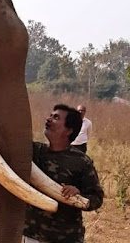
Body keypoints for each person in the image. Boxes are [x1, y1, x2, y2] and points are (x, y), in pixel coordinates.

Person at [22, 104, 103, 243]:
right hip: (33, 235)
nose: (48, 119)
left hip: (66, 237)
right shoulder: (34, 151)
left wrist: (78, 193)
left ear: (69, 130)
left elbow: (97, 197)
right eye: (50, 115)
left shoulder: (81, 161)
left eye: (56, 117)